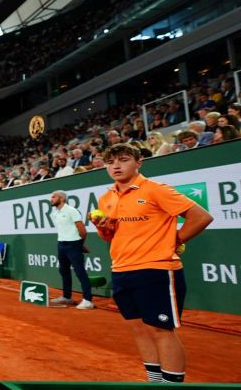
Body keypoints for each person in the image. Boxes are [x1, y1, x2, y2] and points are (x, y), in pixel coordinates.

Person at [91, 143, 213, 384]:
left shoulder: (156, 189)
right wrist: (103, 230)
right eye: (110, 162)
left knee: (161, 330)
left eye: (123, 159)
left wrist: (172, 240)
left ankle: (170, 385)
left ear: (138, 163)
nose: (116, 165)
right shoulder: (106, 198)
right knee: (139, 329)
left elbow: (201, 217)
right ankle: (155, 382)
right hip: (121, 269)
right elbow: (111, 236)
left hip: (156, 269)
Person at [47, 191, 93, 309]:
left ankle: (88, 300)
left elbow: (82, 230)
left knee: (80, 272)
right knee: (64, 271)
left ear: (61, 198)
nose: (51, 199)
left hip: (73, 245)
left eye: (53, 197)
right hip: (61, 244)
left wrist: (80, 245)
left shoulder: (72, 211)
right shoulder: (55, 213)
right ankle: (67, 297)